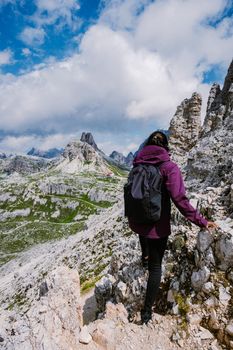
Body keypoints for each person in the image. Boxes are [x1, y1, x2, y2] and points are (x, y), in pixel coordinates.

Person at [128, 131, 218, 324]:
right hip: (157, 226)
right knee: (155, 268)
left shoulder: (137, 164)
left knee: (144, 236)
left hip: (137, 221)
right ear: (165, 146)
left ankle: (144, 256)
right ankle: (146, 314)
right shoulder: (169, 167)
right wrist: (201, 221)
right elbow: (179, 199)